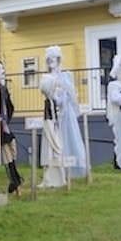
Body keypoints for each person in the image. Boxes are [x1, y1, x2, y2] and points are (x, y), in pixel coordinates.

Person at [39, 46, 87, 188]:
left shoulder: (66, 76)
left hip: (65, 114)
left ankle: (66, 172)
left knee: (66, 140)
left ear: (59, 60)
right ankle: (53, 176)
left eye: (54, 59)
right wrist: (54, 97)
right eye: (49, 59)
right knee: (52, 143)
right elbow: (48, 94)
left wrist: (61, 100)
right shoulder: (46, 78)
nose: (51, 62)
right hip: (52, 114)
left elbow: (69, 95)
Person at [0, 60, 23, 194]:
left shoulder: (3, 89)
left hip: (5, 125)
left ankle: (15, 180)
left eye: (3, 69)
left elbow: (10, 107)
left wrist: (7, 120)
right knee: (7, 152)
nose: (2, 72)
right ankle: (15, 180)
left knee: (12, 149)